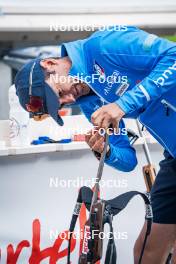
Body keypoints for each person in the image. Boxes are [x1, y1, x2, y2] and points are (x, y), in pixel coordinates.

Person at [15, 26, 176, 263]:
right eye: (60, 102)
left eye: (59, 92)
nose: (69, 99)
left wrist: (122, 105)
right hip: (172, 155)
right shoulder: (89, 102)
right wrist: (106, 151)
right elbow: (128, 161)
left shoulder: (103, 45)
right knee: (146, 251)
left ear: (49, 64)